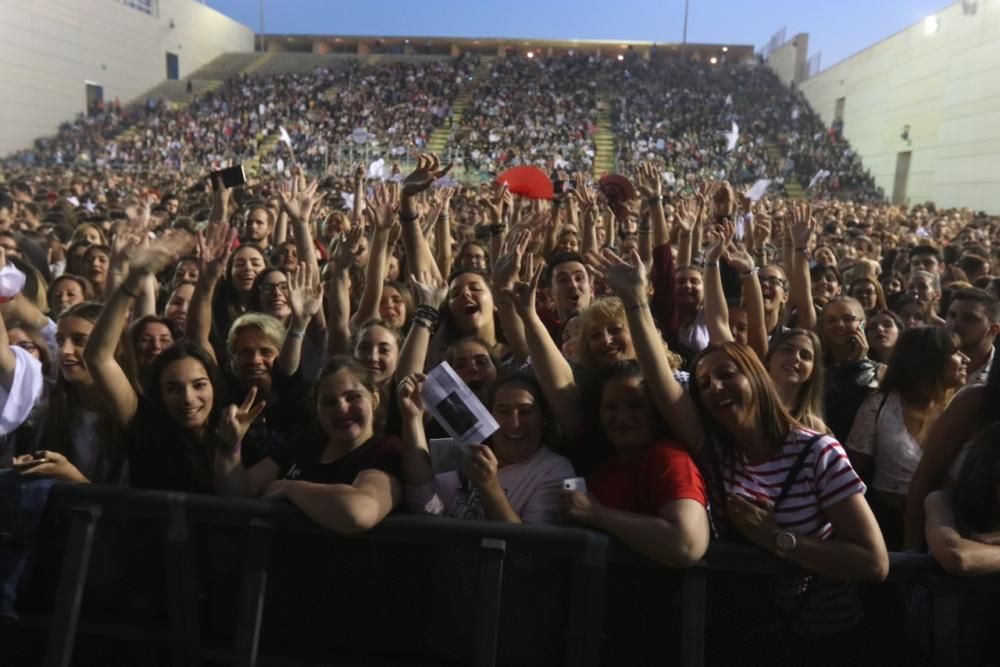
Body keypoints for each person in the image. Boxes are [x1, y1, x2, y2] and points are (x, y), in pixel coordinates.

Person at [215, 356, 403, 533]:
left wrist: (289, 488)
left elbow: (358, 513)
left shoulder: (385, 450)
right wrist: (230, 446)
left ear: (374, 399)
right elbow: (241, 492)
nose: (342, 409)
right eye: (329, 402)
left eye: (353, 397)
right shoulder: (306, 445)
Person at [845, 327, 969, 549]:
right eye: (957, 352)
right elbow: (851, 474)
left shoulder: (964, 411)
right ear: (929, 359)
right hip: (888, 528)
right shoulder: (878, 407)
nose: (966, 359)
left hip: (951, 531)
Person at [399, 370, 575, 524]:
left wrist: (489, 486)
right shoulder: (464, 451)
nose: (514, 423)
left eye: (525, 411)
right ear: (489, 416)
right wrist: (412, 418)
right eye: (503, 411)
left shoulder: (554, 469)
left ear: (543, 418)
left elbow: (526, 553)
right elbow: (423, 501)